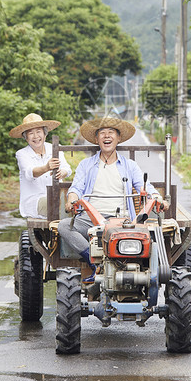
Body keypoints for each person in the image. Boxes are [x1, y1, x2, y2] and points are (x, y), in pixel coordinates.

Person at [58, 116, 167, 281]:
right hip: (92, 218)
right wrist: (71, 201)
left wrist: (158, 199)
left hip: (123, 220)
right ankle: (95, 262)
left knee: (150, 237)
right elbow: (76, 189)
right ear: (96, 139)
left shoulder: (130, 165)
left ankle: (144, 273)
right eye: (102, 133)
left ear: (119, 138)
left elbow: (146, 188)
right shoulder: (85, 165)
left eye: (111, 133)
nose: (106, 136)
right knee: (64, 226)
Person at [10, 113, 71, 219]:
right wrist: (46, 168)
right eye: (31, 133)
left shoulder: (55, 148)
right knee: (58, 205)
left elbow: (67, 169)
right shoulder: (22, 154)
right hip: (35, 200)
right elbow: (30, 173)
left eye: (38, 131)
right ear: (25, 137)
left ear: (45, 134)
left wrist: (62, 173)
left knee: (76, 203)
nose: (36, 136)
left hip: (57, 196)